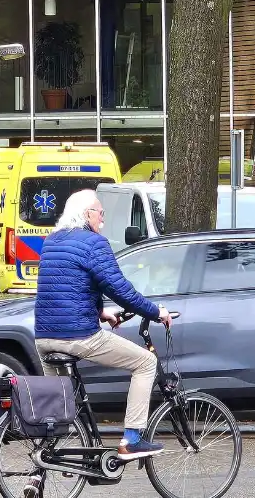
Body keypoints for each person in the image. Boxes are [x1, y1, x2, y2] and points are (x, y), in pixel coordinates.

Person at [33, 190, 172, 456]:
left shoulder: (51, 241)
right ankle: (131, 438)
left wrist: (99, 312)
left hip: (44, 336)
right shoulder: (94, 243)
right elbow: (120, 289)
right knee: (146, 363)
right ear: (87, 214)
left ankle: (41, 466)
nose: (103, 221)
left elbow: (68, 285)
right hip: (78, 335)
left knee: (61, 406)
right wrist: (156, 312)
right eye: (101, 214)